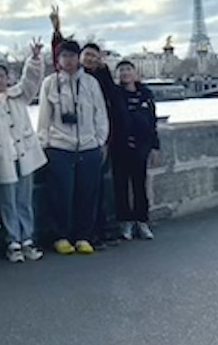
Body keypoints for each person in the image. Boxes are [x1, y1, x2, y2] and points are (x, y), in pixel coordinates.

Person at [0, 39, 47, 262]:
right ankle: (13, 241)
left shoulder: (18, 96)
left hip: (23, 155)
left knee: (25, 200)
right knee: (7, 203)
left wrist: (35, 59)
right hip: (3, 158)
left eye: (3, 76)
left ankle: (27, 239)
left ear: (9, 78)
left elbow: (31, 80)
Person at [38, 40, 109, 255]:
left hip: (88, 146)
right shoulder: (50, 83)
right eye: (64, 56)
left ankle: (83, 236)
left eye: (72, 56)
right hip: (60, 146)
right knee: (61, 194)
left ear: (78, 59)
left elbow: (100, 113)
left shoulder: (90, 83)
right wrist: (44, 143)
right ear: (58, 60)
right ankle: (60, 236)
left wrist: (100, 140)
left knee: (87, 194)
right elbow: (44, 117)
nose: (69, 61)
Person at [79, 42, 123, 248]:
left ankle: (100, 229)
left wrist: (105, 140)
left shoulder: (102, 78)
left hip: (100, 139)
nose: (90, 59)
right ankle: (90, 232)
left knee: (99, 189)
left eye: (94, 56)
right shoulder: (73, 77)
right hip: (80, 141)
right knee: (88, 191)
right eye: (87, 55)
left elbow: (111, 106)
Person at [115, 60, 160, 240]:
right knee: (121, 187)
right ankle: (125, 222)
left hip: (141, 146)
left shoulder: (146, 94)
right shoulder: (115, 94)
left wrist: (155, 146)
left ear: (135, 73)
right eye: (122, 70)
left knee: (140, 186)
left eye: (128, 69)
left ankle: (142, 220)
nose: (125, 73)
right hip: (121, 146)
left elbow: (152, 121)